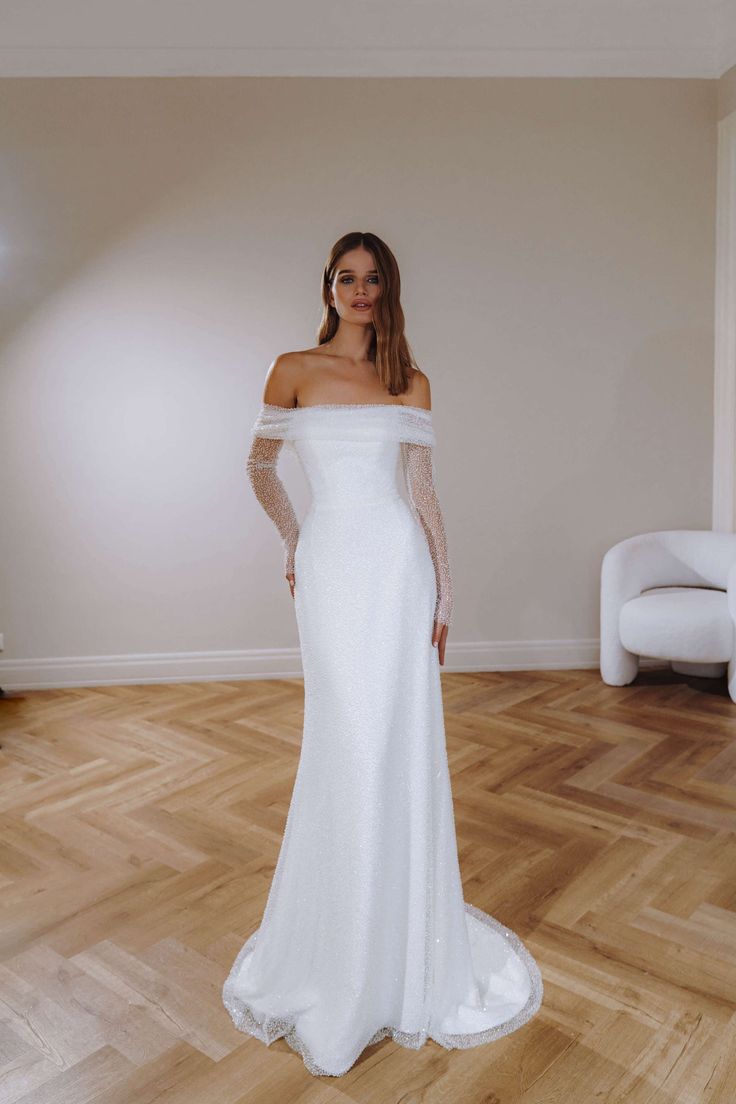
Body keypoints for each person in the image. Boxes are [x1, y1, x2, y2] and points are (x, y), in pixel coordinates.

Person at [222, 231, 543, 1076]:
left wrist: (443, 590)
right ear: (326, 287)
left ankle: (399, 939)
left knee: (397, 743)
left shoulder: (411, 379)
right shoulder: (290, 368)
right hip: (332, 569)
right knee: (348, 739)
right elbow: (259, 470)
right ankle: (339, 940)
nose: (359, 291)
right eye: (345, 278)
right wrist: (297, 542)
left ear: (387, 289)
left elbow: (421, 492)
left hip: (399, 570)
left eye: (372, 280)